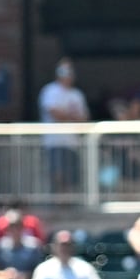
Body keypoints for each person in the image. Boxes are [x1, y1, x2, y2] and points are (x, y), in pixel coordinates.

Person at [39, 58, 88, 193]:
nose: (68, 75)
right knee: (57, 173)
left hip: (72, 143)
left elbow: (84, 118)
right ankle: (58, 204)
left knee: (71, 176)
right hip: (55, 142)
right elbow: (55, 114)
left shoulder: (77, 94)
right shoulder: (50, 91)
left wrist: (67, 116)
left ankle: (67, 204)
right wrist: (72, 116)